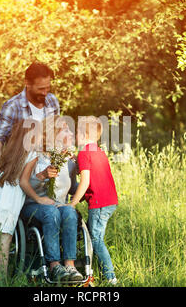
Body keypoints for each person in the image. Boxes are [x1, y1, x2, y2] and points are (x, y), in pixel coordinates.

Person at [0, 119, 51, 281]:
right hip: (10, 198)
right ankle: (1, 280)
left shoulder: (11, 150)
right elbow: (23, 182)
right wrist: (38, 199)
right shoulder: (33, 154)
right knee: (5, 239)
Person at [19, 115, 83, 282]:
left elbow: (73, 187)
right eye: (65, 129)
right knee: (50, 212)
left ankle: (70, 265)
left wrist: (88, 183)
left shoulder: (69, 161)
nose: (70, 132)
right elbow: (24, 184)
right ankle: (55, 266)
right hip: (34, 205)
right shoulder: (37, 155)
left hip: (58, 205)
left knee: (69, 210)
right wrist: (41, 175)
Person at [66, 116, 119, 285]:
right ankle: (84, 264)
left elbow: (86, 182)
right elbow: (92, 170)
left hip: (99, 203)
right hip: (110, 201)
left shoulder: (84, 154)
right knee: (89, 234)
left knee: (95, 238)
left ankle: (111, 277)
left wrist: (72, 203)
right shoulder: (98, 151)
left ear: (82, 134)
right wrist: (75, 159)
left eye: (76, 133)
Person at [0, 62, 60, 162]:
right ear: (27, 83)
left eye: (47, 87)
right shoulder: (12, 106)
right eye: (41, 88)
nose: (45, 92)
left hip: (48, 168)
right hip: (21, 168)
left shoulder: (52, 101)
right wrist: (4, 165)